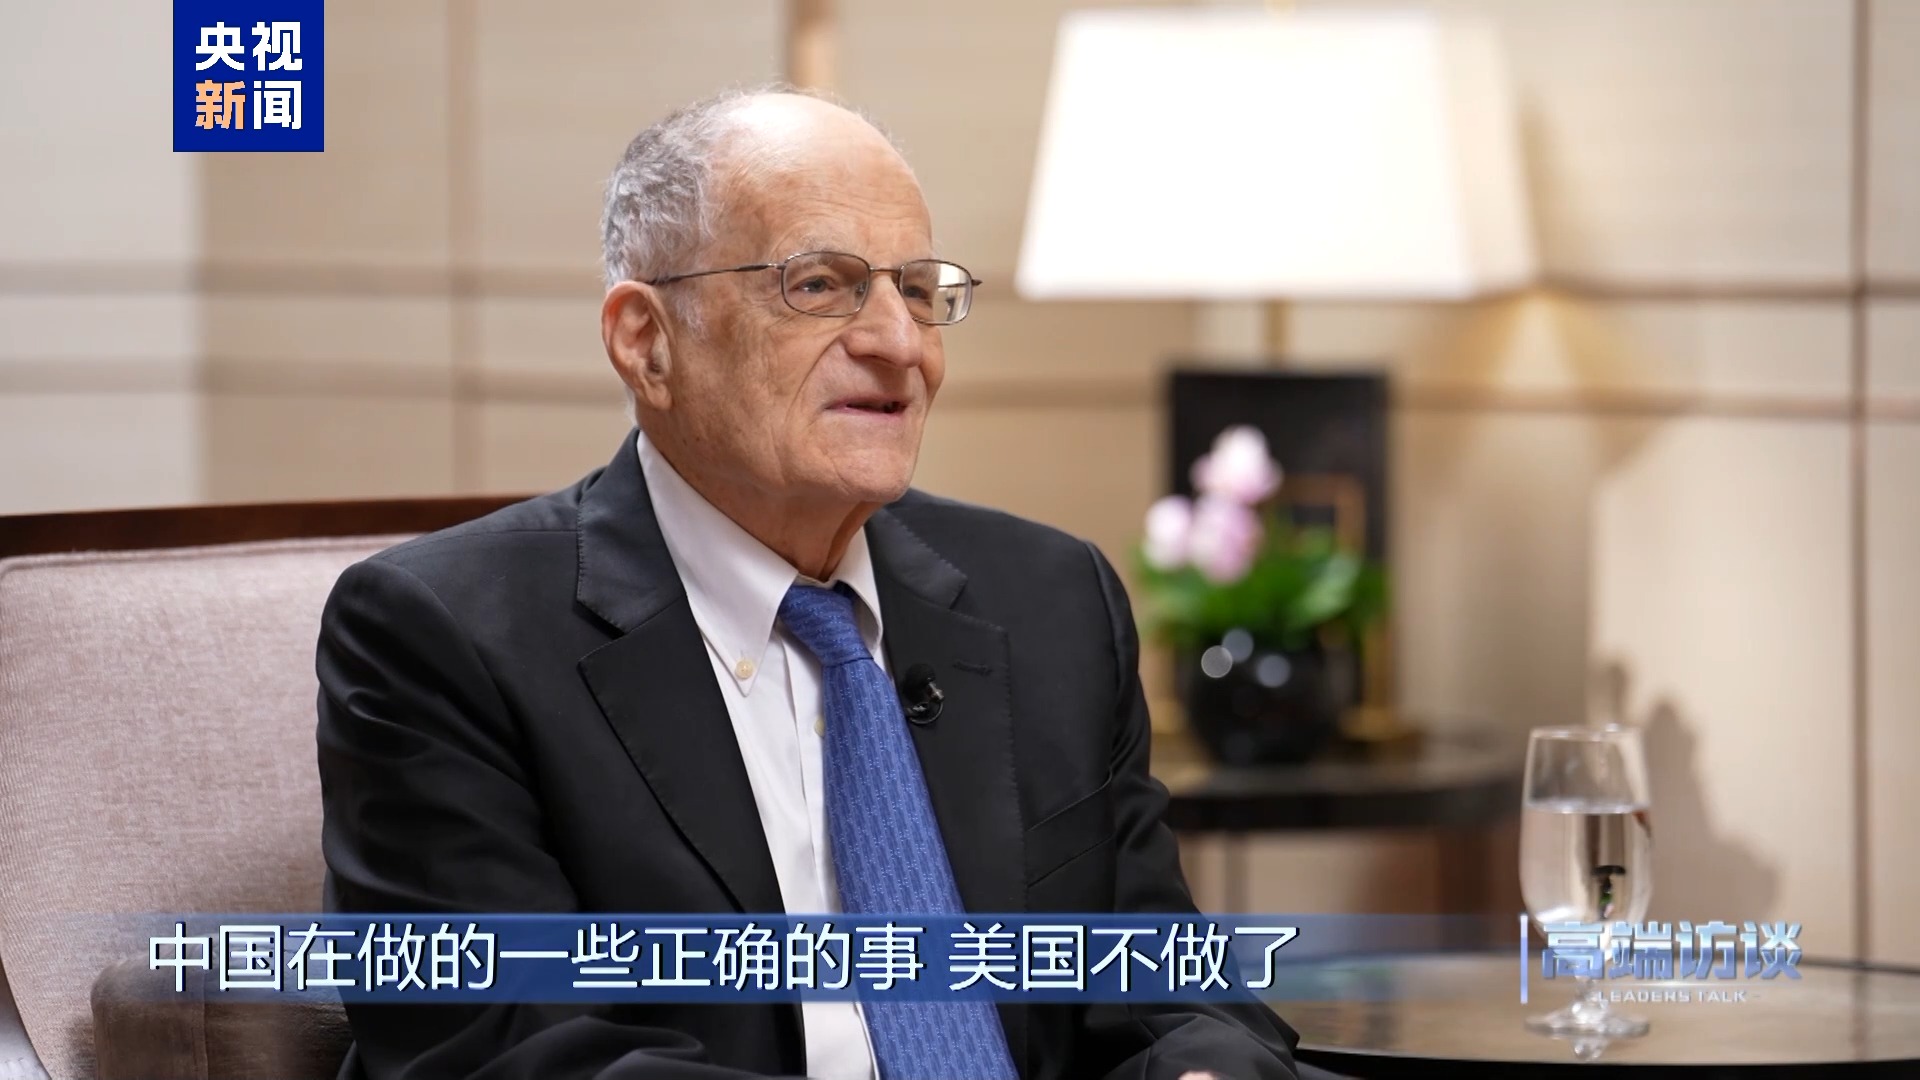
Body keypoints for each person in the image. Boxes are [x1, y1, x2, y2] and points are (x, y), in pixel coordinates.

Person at [316, 86, 1305, 1080]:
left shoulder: (1050, 600)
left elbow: (1165, 986)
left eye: (918, 291)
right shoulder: (443, 635)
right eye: (821, 285)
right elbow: (514, 1052)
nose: (899, 343)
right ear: (647, 341)